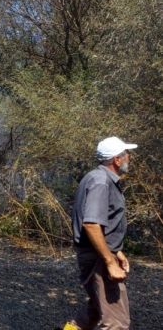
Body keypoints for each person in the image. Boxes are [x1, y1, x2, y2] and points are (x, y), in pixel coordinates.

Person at [64, 136, 137, 330]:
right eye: (126, 154)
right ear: (117, 159)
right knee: (117, 323)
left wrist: (117, 251)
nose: (129, 157)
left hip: (97, 255)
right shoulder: (101, 182)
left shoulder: (97, 178)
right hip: (98, 259)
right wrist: (110, 262)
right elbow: (92, 225)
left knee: (95, 311)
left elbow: (102, 225)